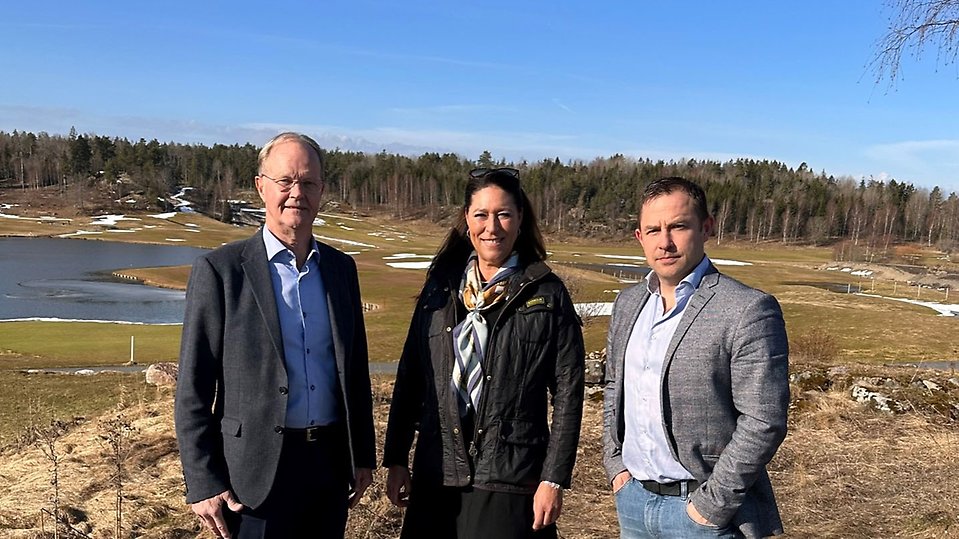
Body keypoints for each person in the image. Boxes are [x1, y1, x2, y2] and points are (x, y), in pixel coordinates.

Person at [174, 132, 376, 538]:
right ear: (260, 185)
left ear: (321, 191)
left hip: (328, 469)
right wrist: (202, 481)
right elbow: (193, 385)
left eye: (308, 183)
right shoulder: (221, 271)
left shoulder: (341, 270)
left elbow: (354, 369)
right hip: (252, 475)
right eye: (285, 181)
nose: (296, 193)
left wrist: (363, 454)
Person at [383, 167, 585, 539]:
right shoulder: (439, 291)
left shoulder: (549, 294)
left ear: (520, 219)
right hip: (436, 471)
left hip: (509, 478)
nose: (492, 227)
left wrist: (553, 479)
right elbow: (411, 376)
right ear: (467, 220)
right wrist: (396, 458)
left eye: (504, 213)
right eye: (481, 214)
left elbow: (569, 395)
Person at [602, 177, 789, 539]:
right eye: (653, 230)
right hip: (633, 502)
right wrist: (616, 467)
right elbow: (614, 387)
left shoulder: (747, 309)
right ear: (640, 237)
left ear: (706, 228)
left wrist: (710, 507)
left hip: (702, 516)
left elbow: (764, 418)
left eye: (678, 226)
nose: (665, 242)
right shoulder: (628, 304)